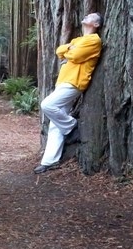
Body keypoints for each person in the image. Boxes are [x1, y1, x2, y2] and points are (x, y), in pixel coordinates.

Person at [33, 13, 103, 174]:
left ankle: (72, 127)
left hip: (75, 82)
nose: (86, 16)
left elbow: (75, 56)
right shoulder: (78, 41)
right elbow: (60, 50)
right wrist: (69, 49)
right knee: (55, 124)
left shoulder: (94, 40)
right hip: (64, 81)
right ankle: (50, 161)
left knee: (47, 105)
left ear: (96, 24)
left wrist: (70, 52)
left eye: (91, 16)